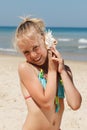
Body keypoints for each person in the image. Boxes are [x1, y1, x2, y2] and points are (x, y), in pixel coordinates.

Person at [14, 16, 82, 130]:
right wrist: (51, 69)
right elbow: (46, 103)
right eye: (26, 52)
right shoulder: (26, 69)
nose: (33, 55)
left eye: (35, 48)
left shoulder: (63, 70)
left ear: (45, 39)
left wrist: (62, 71)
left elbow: (75, 104)